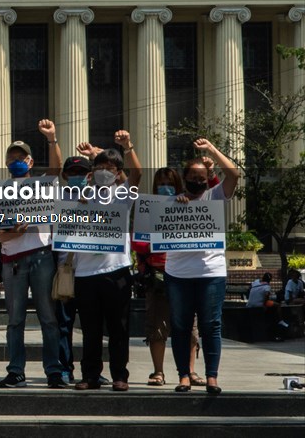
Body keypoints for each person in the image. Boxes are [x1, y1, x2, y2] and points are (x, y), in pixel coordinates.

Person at [0, 120, 68, 389]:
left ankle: (53, 370)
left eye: (21, 157)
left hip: (40, 256)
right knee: (15, 320)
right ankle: (16, 371)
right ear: (5, 162)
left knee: (48, 317)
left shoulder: (42, 185)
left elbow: (56, 169)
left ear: (30, 161)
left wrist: (51, 138)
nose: (16, 161)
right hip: (12, 260)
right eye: (11, 157)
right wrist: (12, 233)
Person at [168, 138, 239, 395]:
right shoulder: (172, 202)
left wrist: (211, 151)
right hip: (178, 273)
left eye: (202, 176)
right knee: (180, 326)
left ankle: (211, 376)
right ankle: (183, 375)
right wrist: (177, 206)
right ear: (184, 177)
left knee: (211, 324)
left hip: (211, 273)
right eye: (192, 176)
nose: (197, 180)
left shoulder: (215, 195)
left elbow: (233, 174)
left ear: (208, 177)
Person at [70, 132, 140, 392]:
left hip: (117, 270)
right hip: (85, 273)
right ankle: (90, 375)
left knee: (118, 328)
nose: (103, 172)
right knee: (90, 329)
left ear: (117, 172)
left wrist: (128, 147)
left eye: (109, 168)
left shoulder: (122, 195)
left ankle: (120, 375)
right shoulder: (79, 193)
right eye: (99, 167)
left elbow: (138, 175)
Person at [132, 167, 201, 387]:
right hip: (158, 276)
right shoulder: (147, 208)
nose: (165, 187)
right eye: (161, 183)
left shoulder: (190, 204)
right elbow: (138, 243)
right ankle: (158, 372)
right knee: (157, 325)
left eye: (170, 183)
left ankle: (190, 371)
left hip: (184, 274)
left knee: (190, 326)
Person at [55, 154, 92, 384]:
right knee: (64, 325)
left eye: (82, 173)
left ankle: (92, 369)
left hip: (92, 270)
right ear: (65, 175)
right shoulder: (56, 197)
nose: (77, 177)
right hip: (66, 269)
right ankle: (64, 368)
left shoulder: (101, 196)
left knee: (92, 325)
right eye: (73, 173)